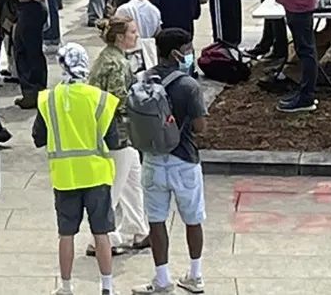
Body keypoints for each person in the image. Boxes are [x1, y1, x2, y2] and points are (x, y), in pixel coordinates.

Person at [31, 43, 118, 295]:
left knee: (66, 234)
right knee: (101, 233)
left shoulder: (48, 99)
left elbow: (38, 137)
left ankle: (66, 287)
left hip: (65, 176)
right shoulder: (99, 98)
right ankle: (107, 287)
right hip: (97, 174)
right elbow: (113, 140)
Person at [133, 28, 207, 295]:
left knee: (156, 220)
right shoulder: (189, 85)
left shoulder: (142, 79)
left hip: (152, 159)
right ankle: (195, 275)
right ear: (177, 53)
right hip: (184, 159)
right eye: (188, 49)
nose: (190, 54)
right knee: (193, 219)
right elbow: (200, 127)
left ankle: (161, 279)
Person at [88, 17, 150, 253]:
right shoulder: (118, 64)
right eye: (132, 32)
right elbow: (118, 101)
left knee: (132, 181)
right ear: (119, 37)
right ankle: (99, 239)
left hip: (115, 133)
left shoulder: (108, 57)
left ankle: (138, 229)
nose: (136, 35)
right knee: (114, 186)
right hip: (118, 134)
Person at [2, 0, 49, 109]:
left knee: (30, 52)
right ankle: (29, 90)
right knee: (21, 49)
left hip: (32, 11)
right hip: (24, 10)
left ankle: (35, 90)